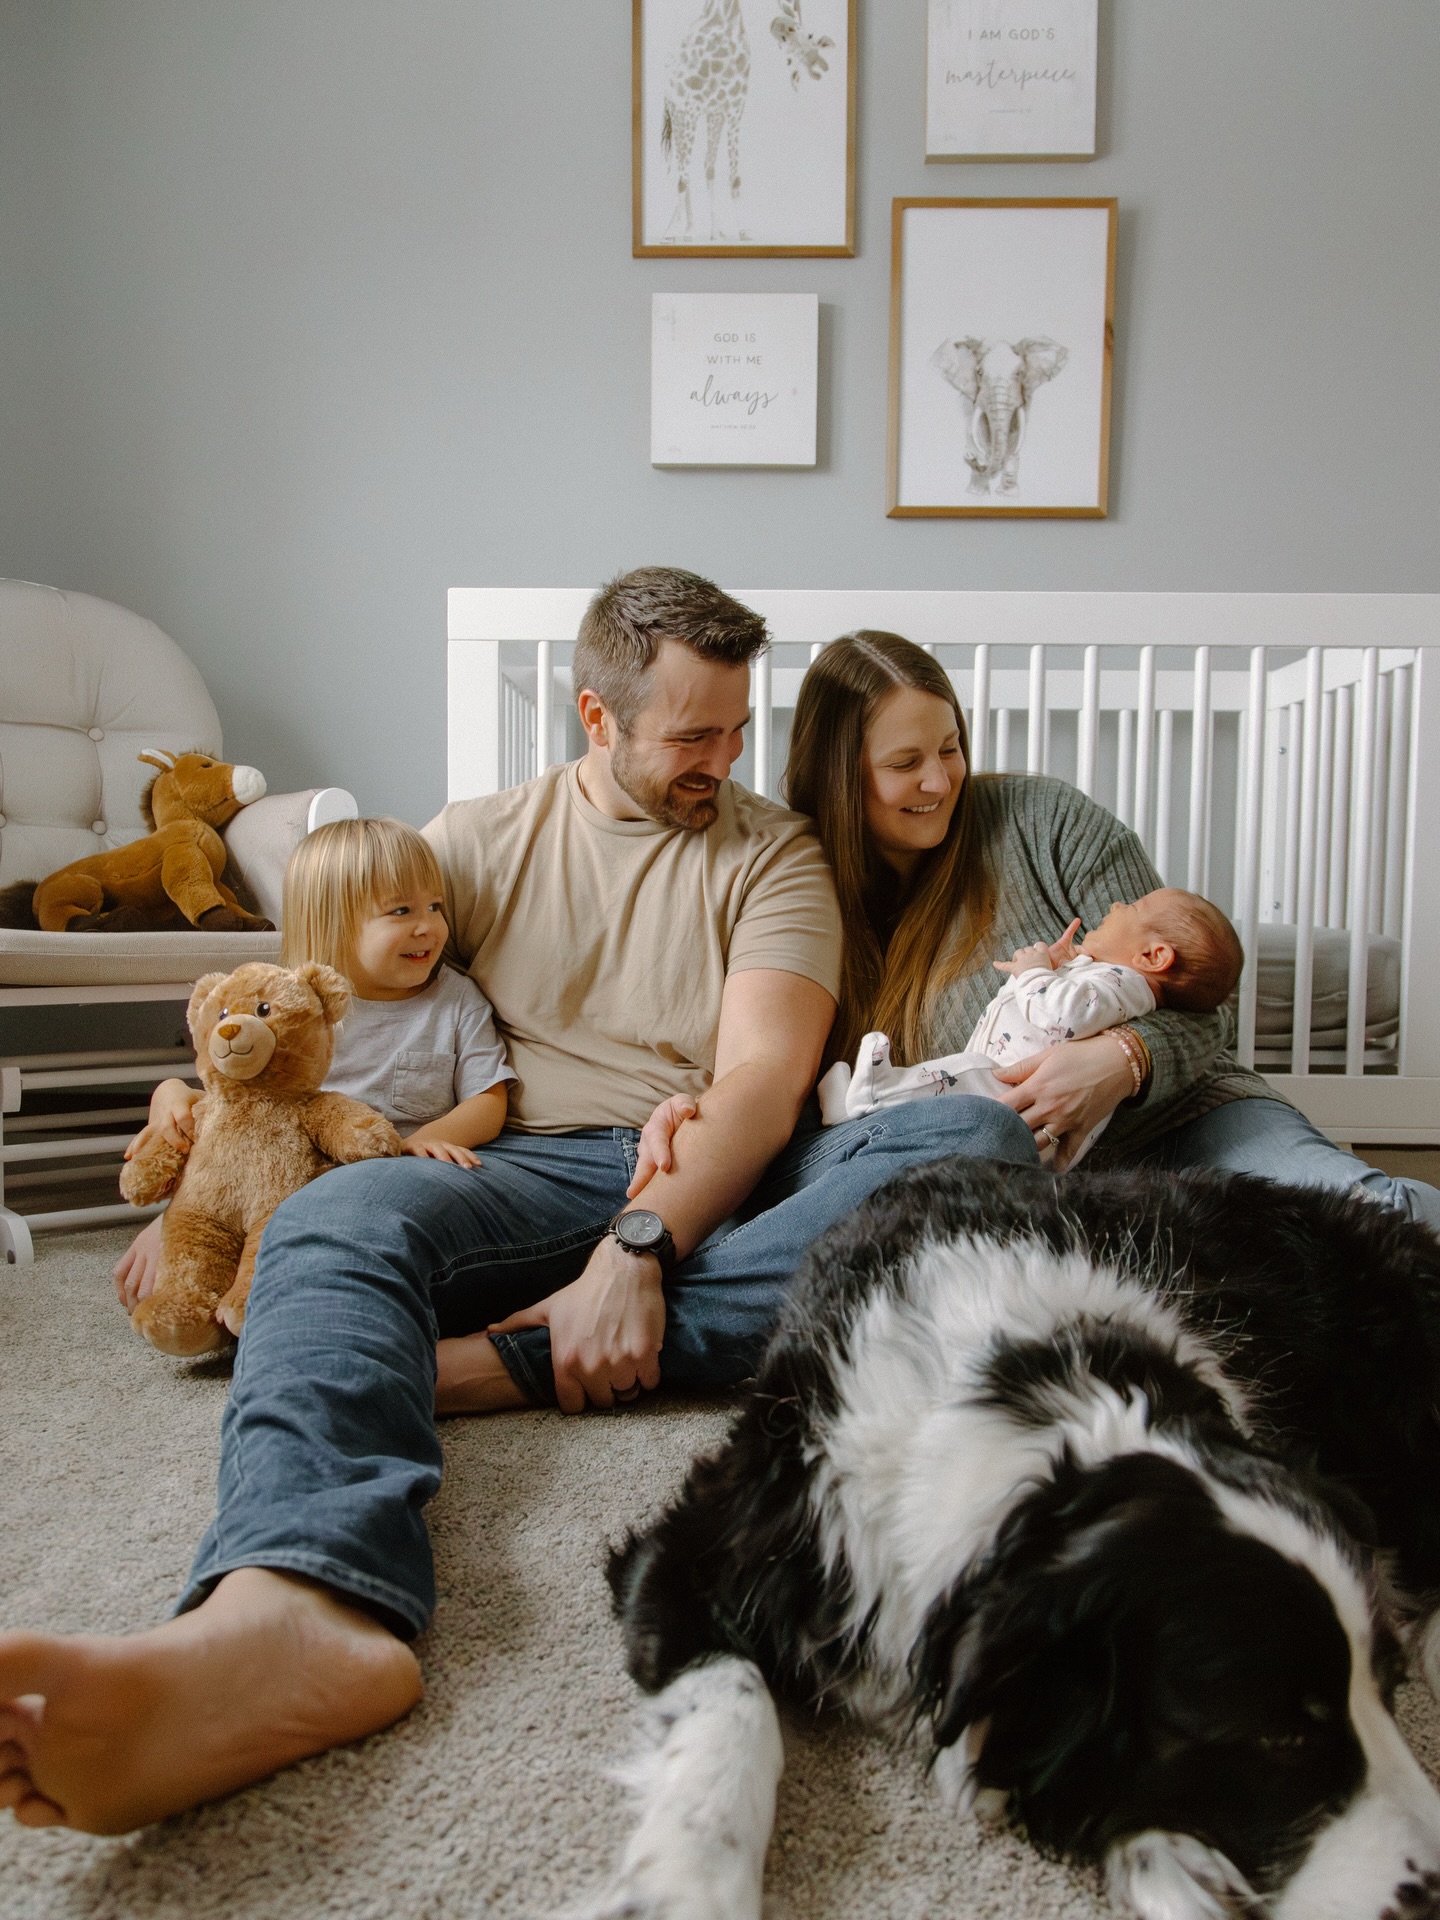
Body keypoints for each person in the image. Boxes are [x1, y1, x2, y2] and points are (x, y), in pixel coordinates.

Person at [0, 571, 1035, 1836]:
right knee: (329, 1226)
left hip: (712, 1167)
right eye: (691, 736)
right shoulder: (477, 843)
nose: (724, 759)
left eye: (737, 730)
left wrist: (643, 1247)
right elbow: (312, 1005)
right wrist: (224, 1161)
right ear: (597, 719)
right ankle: (296, 1612)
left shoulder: (775, 855)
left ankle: (506, 1362)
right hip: (519, 1164)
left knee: (978, 1144)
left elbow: (764, 1085)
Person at [636, 631, 1440, 1226]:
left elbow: (1203, 1012)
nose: (939, 779)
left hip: (1186, 1119)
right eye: (904, 761)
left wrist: (1121, 1060)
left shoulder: (1043, 820)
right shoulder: (797, 886)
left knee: (1386, 1225)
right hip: (1024, 1186)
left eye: (951, 748)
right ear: (840, 779)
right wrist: (696, 1107)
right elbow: (774, 1074)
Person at [117, 818, 517, 1312]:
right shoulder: (287, 1007)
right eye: (401, 911)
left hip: (389, 1185)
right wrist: (169, 1096)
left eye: (435, 906)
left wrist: (426, 1139)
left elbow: (488, 1099)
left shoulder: (456, 1000)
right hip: (275, 1181)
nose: (428, 926)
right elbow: (237, 1099)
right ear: (335, 922)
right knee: (193, 1255)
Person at [816, 887, 1243, 1167]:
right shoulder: (1113, 985)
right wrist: (1057, 968)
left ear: (1153, 957)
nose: (1115, 905)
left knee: (951, 1080)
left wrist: (1036, 972)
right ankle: (868, 1105)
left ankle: (867, 1098)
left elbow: (1061, 1017)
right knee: (943, 1098)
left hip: (1019, 1096)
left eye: (1130, 908)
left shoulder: (1124, 985)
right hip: (1020, 1107)